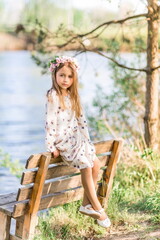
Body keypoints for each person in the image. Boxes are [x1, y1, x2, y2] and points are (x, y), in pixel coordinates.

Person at [45, 56, 111, 228]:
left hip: (77, 138)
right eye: (62, 75)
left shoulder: (73, 95)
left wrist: (87, 141)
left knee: (95, 164)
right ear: (55, 75)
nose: (65, 80)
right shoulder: (53, 95)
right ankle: (98, 208)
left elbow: (81, 120)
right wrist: (51, 145)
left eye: (69, 76)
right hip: (64, 141)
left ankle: (85, 205)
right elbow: (50, 120)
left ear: (74, 78)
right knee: (86, 165)